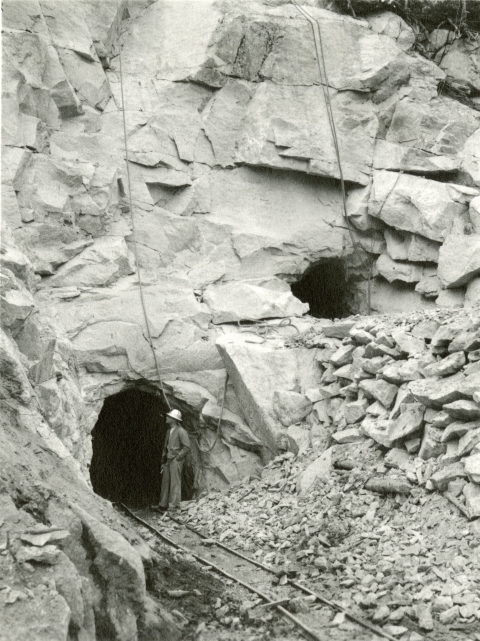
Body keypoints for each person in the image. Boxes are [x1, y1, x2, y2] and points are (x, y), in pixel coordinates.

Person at [156, 409, 190, 511]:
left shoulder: (181, 431)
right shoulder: (168, 432)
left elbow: (187, 447)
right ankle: (163, 504)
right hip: (168, 460)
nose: (166, 418)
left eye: (168, 417)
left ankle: (173, 505)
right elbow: (165, 447)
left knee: (175, 482)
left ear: (174, 420)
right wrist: (163, 461)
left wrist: (178, 458)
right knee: (165, 482)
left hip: (176, 460)